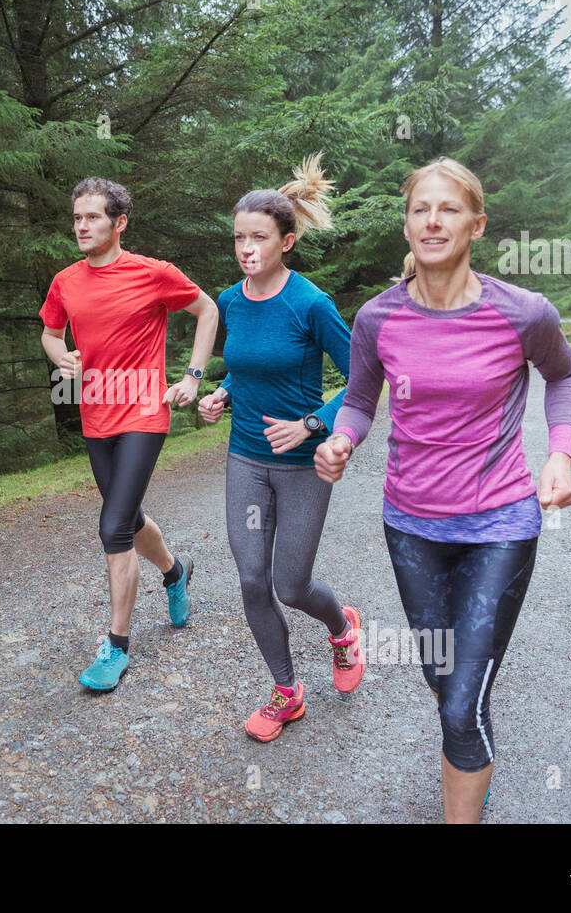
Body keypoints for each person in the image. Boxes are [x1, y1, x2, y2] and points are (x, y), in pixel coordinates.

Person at [314, 157, 571, 822]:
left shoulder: (522, 313)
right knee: (447, 683)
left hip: (501, 524)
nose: (432, 221)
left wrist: (561, 456)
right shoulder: (378, 319)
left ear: (477, 224)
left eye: (449, 209)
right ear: (406, 225)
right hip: (411, 528)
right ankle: (471, 756)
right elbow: (359, 399)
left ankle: (464, 781)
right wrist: (343, 438)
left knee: (461, 705)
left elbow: (566, 376)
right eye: (419, 210)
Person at [198, 154, 365, 743]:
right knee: (250, 579)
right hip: (246, 457)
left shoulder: (311, 305)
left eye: (259, 238)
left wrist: (312, 425)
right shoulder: (231, 300)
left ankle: (343, 628)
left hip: (301, 465)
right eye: (239, 237)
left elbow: (364, 382)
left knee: (292, 585)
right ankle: (286, 691)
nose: (246, 248)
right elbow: (244, 369)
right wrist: (222, 394)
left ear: (286, 241)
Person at [40, 177, 219, 691]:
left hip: (144, 410)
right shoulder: (65, 282)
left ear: (119, 223)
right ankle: (174, 571)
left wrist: (192, 376)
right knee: (130, 514)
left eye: (92, 217)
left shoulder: (153, 273)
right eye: (77, 217)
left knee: (113, 526)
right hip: (95, 413)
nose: (81, 225)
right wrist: (63, 358)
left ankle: (115, 646)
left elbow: (207, 309)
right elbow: (50, 334)